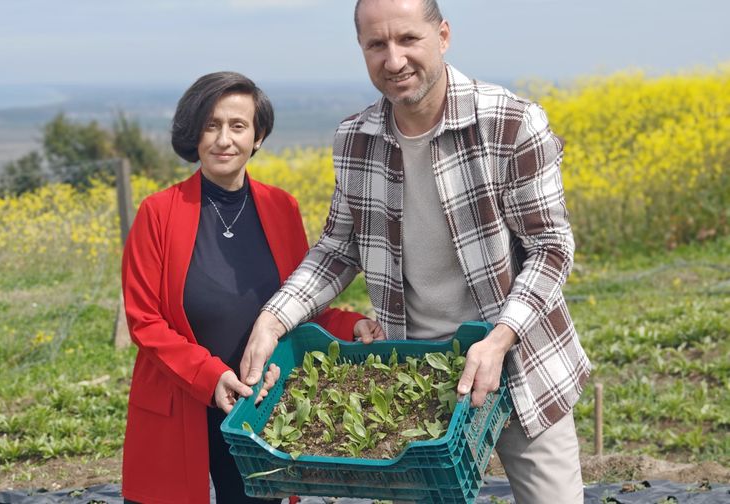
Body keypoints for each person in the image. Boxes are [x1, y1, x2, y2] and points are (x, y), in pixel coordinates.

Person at [240, 1, 591, 502]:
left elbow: (550, 248)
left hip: (519, 360)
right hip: (415, 373)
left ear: (443, 36)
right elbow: (339, 248)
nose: (394, 59)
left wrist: (498, 340)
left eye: (408, 40)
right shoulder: (355, 139)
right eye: (376, 45)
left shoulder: (511, 123)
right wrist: (273, 320)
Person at [120, 71, 382, 504]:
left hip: (256, 404)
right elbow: (144, 322)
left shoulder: (281, 207)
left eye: (238, 126)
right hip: (179, 400)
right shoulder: (158, 213)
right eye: (211, 125)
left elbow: (298, 304)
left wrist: (352, 325)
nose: (224, 139)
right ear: (195, 134)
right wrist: (211, 376)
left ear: (257, 137)